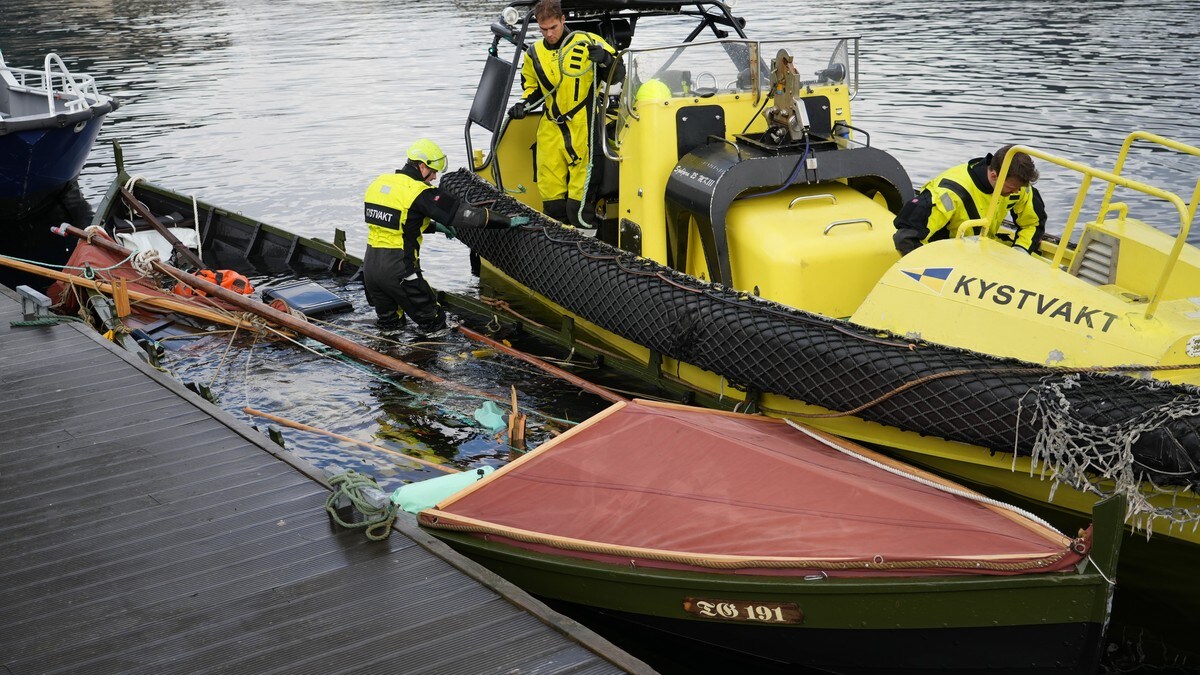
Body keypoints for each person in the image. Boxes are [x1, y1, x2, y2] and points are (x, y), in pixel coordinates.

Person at [363, 138, 527, 333]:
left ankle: (388, 356)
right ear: (422, 166)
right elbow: (466, 215)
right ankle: (425, 361)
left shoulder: (379, 183)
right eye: (433, 172)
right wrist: (506, 221)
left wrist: (434, 227)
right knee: (434, 322)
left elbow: (397, 224)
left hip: (370, 269)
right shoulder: (419, 192)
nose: (434, 178)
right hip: (400, 270)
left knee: (390, 324)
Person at [508, 0, 624, 229]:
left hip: (584, 130)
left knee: (578, 210)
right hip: (551, 132)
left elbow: (619, 73)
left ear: (563, 20)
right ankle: (559, 255)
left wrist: (605, 59)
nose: (549, 34)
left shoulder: (587, 42)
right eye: (543, 29)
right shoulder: (533, 54)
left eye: (553, 27)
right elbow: (532, 89)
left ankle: (590, 254)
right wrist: (523, 105)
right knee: (553, 207)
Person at [893, 144, 1048, 256]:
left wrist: (1019, 253)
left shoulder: (1018, 186)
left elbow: (1032, 223)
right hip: (947, 256)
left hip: (980, 251)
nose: (1017, 191)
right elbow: (906, 239)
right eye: (1012, 187)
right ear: (994, 176)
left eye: (1020, 187)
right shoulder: (948, 193)